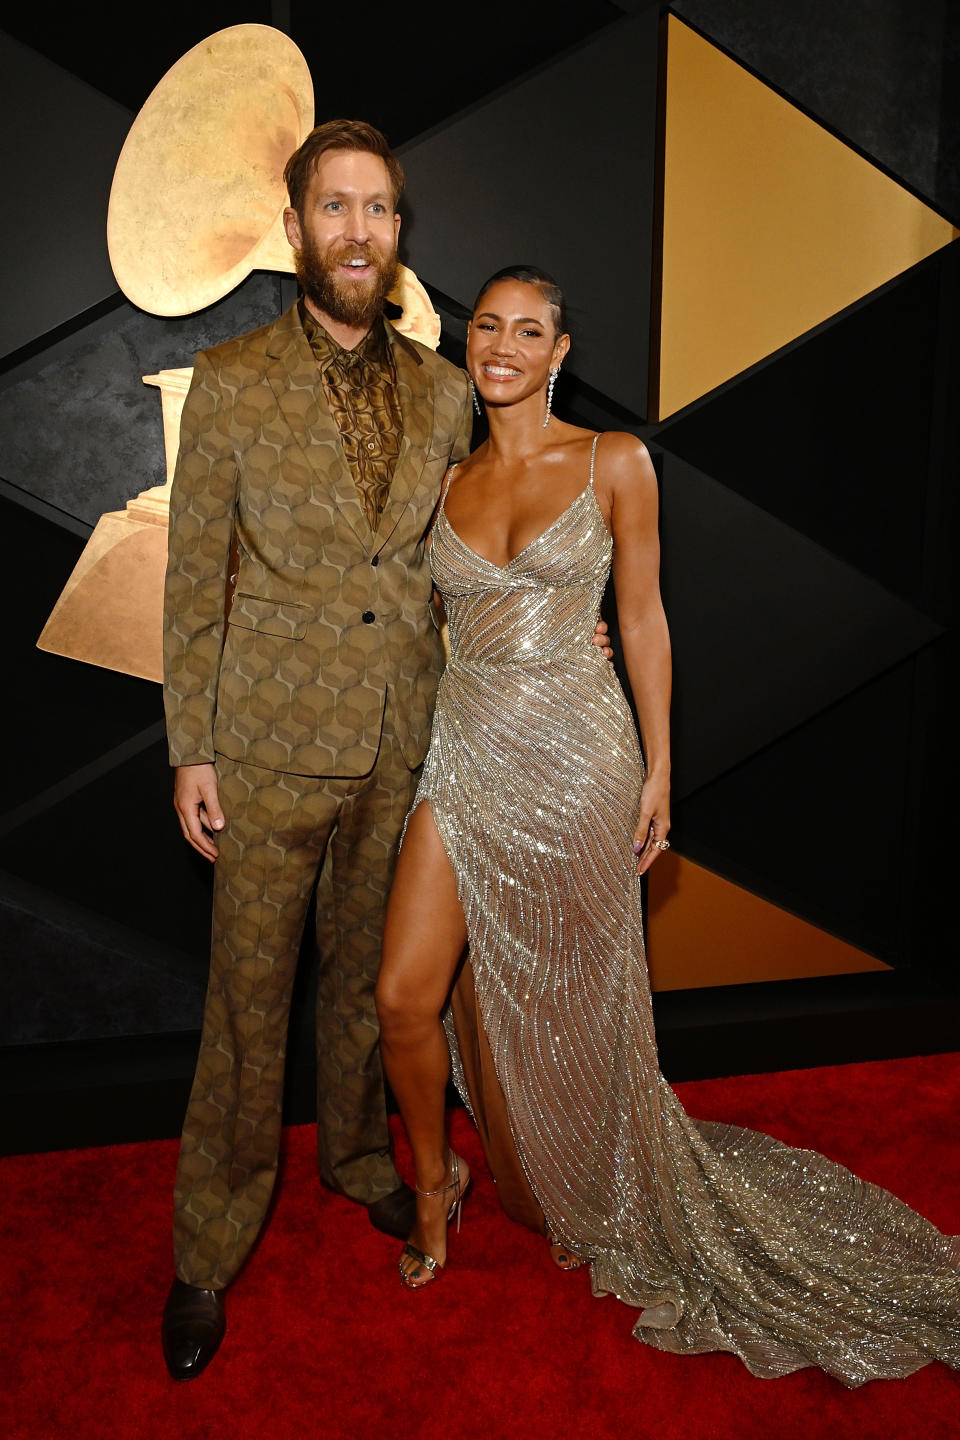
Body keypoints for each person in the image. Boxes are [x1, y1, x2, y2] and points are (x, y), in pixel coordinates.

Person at [375, 266, 960, 1386]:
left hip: (584, 759)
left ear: (559, 355)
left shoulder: (615, 460)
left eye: (528, 330)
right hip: (468, 751)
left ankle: (590, 1174)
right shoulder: (443, 483)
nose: (502, 343)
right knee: (404, 994)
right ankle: (437, 1183)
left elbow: (640, 615)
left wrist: (660, 768)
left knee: (579, 993)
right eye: (486, 325)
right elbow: (434, 632)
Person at [158, 118, 478, 1381]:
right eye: (335, 208)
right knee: (245, 1012)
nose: (358, 232)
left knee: (363, 986)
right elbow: (194, 582)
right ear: (296, 228)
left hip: (404, 744)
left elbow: (466, 572)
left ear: (400, 235)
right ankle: (205, 1246)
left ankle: (357, 1163)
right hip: (268, 747)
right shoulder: (229, 381)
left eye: (380, 210)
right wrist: (194, 748)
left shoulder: (448, 393)